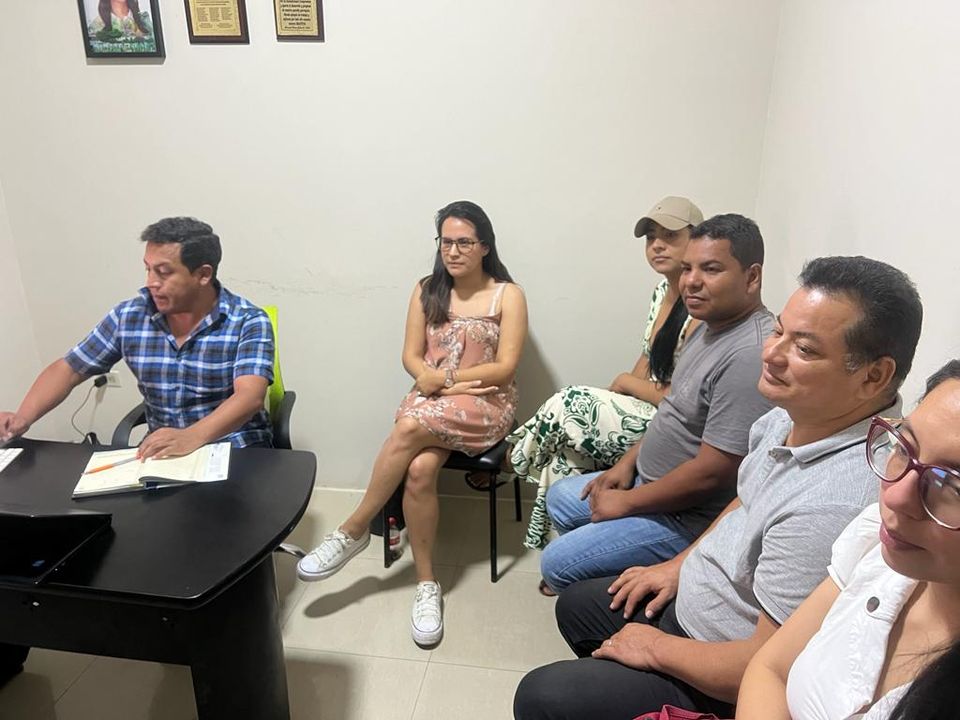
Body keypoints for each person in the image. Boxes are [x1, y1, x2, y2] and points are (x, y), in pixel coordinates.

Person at [513, 256, 924, 720]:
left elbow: (767, 667)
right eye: (779, 331)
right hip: (694, 597)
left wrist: (654, 648)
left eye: (805, 349)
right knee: (577, 605)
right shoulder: (789, 414)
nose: (772, 354)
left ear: (873, 376)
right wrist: (677, 567)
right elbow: (744, 499)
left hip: (722, 671)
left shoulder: (833, 502)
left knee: (543, 695)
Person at [296, 200, 527, 647]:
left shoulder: (507, 295)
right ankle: (426, 584)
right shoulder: (426, 290)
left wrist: (445, 380)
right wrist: (430, 379)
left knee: (406, 428)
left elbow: (504, 369)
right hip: (433, 399)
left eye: (464, 242)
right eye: (446, 242)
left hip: (486, 404)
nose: (453, 251)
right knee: (419, 470)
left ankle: (354, 529)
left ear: (484, 246)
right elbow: (411, 355)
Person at [539, 214, 775, 593]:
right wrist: (626, 463)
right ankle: (601, 571)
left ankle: (602, 590)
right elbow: (671, 411)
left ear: (752, 277)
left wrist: (628, 503)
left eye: (711, 269)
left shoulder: (749, 353)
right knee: (561, 499)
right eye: (688, 268)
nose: (691, 281)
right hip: (648, 481)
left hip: (685, 518)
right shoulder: (707, 326)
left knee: (556, 564)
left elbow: (714, 473)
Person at [735, 359, 960, 720]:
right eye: (904, 447)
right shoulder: (878, 539)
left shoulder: (840, 502)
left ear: (874, 376)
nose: (896, 496)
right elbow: (771, 669)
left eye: (951, 485)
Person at [507, 196, 703, 555]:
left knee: (571, 401)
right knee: (565, 455)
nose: (657, 245)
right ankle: (566, 551)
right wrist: (618, 397)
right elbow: (647, 357)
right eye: (651, 237)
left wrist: (626, 383)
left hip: (670, 426)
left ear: (697, 238)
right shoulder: (662, 291)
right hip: (646, 409)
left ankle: (515, 457)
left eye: (670, 235)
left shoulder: (700, 305)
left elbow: (681, 400)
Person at [0, 217, 275, 457]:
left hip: (234, 449)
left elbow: (249, 396)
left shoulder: (247, 320)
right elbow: (70, 369)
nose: (151, 282)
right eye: (148, 269)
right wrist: (22, 417)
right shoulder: (130, 316)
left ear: (203, 274)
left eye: (164, 272)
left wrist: (191, 437)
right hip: (162, 451)